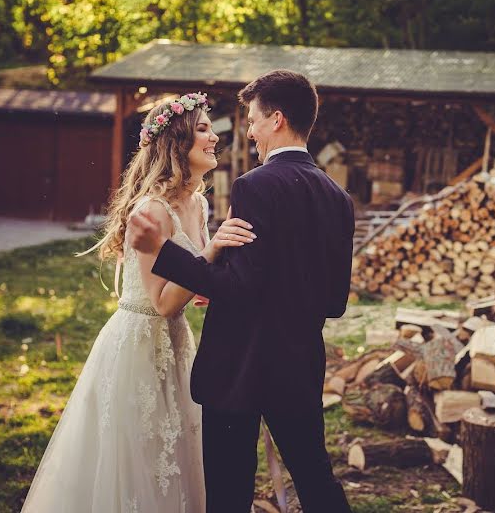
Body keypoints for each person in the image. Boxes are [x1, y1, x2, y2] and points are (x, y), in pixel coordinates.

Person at [128, 70, 355, 513]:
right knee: (316, 479)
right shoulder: (338, 198)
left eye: (252, 120)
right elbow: (335, 301)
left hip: (239, 368)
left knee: (229, 493)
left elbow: (240, 288)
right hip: (299, 367)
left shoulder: (255, 186)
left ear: (277, 119)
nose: (248, 131)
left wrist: (163, 251)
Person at [21, 93, 255, 512]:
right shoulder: (152, 210)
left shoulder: (198, 204)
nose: (214, 137)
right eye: (203, 129)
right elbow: (163, 301)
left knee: (180, 450)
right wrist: (214, 250)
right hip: (139, 344)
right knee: (139, 459)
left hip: (177, 344)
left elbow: (188, 282)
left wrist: (207, 280)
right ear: (177, 143)